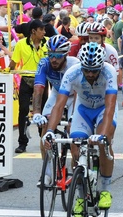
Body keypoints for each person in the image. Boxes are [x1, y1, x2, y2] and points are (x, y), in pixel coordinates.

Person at [43, 42, 118, 214]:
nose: (90, 74)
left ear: (101, 66)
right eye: (87, 70)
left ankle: (105, 189)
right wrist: (49, 131)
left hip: (103, 110)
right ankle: (80, 195)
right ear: (81, 66)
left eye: (94, 70)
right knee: (76, 147)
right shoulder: (72, 73)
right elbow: (59, 105)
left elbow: (110, 108)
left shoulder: (109, 72)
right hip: (83, 110)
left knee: (103, 143)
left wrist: (102, 135)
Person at [32, 35, 79, 185]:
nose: (53, 59)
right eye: (51, 55)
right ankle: (47, 174)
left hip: (74, 97)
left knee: (74, 132)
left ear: (66, 54)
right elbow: (38, 89)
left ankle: (77, 169)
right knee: (45, 131)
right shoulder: (44, 63)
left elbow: (78, 92)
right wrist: (37, 112)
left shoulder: (74, 64)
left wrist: (73, 118)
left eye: (58, 56)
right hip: (57, 95)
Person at [10, 19, 48, 153]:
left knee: (43, 111)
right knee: (23, 110)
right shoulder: (21, 44)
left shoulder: (47, 43)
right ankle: (22, 142)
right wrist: (6, 71)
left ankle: (43, 139)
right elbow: (13, 63)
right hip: (26, 80)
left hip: (42, 81)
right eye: (41, 30)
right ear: (33, 31)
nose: (44, 32)